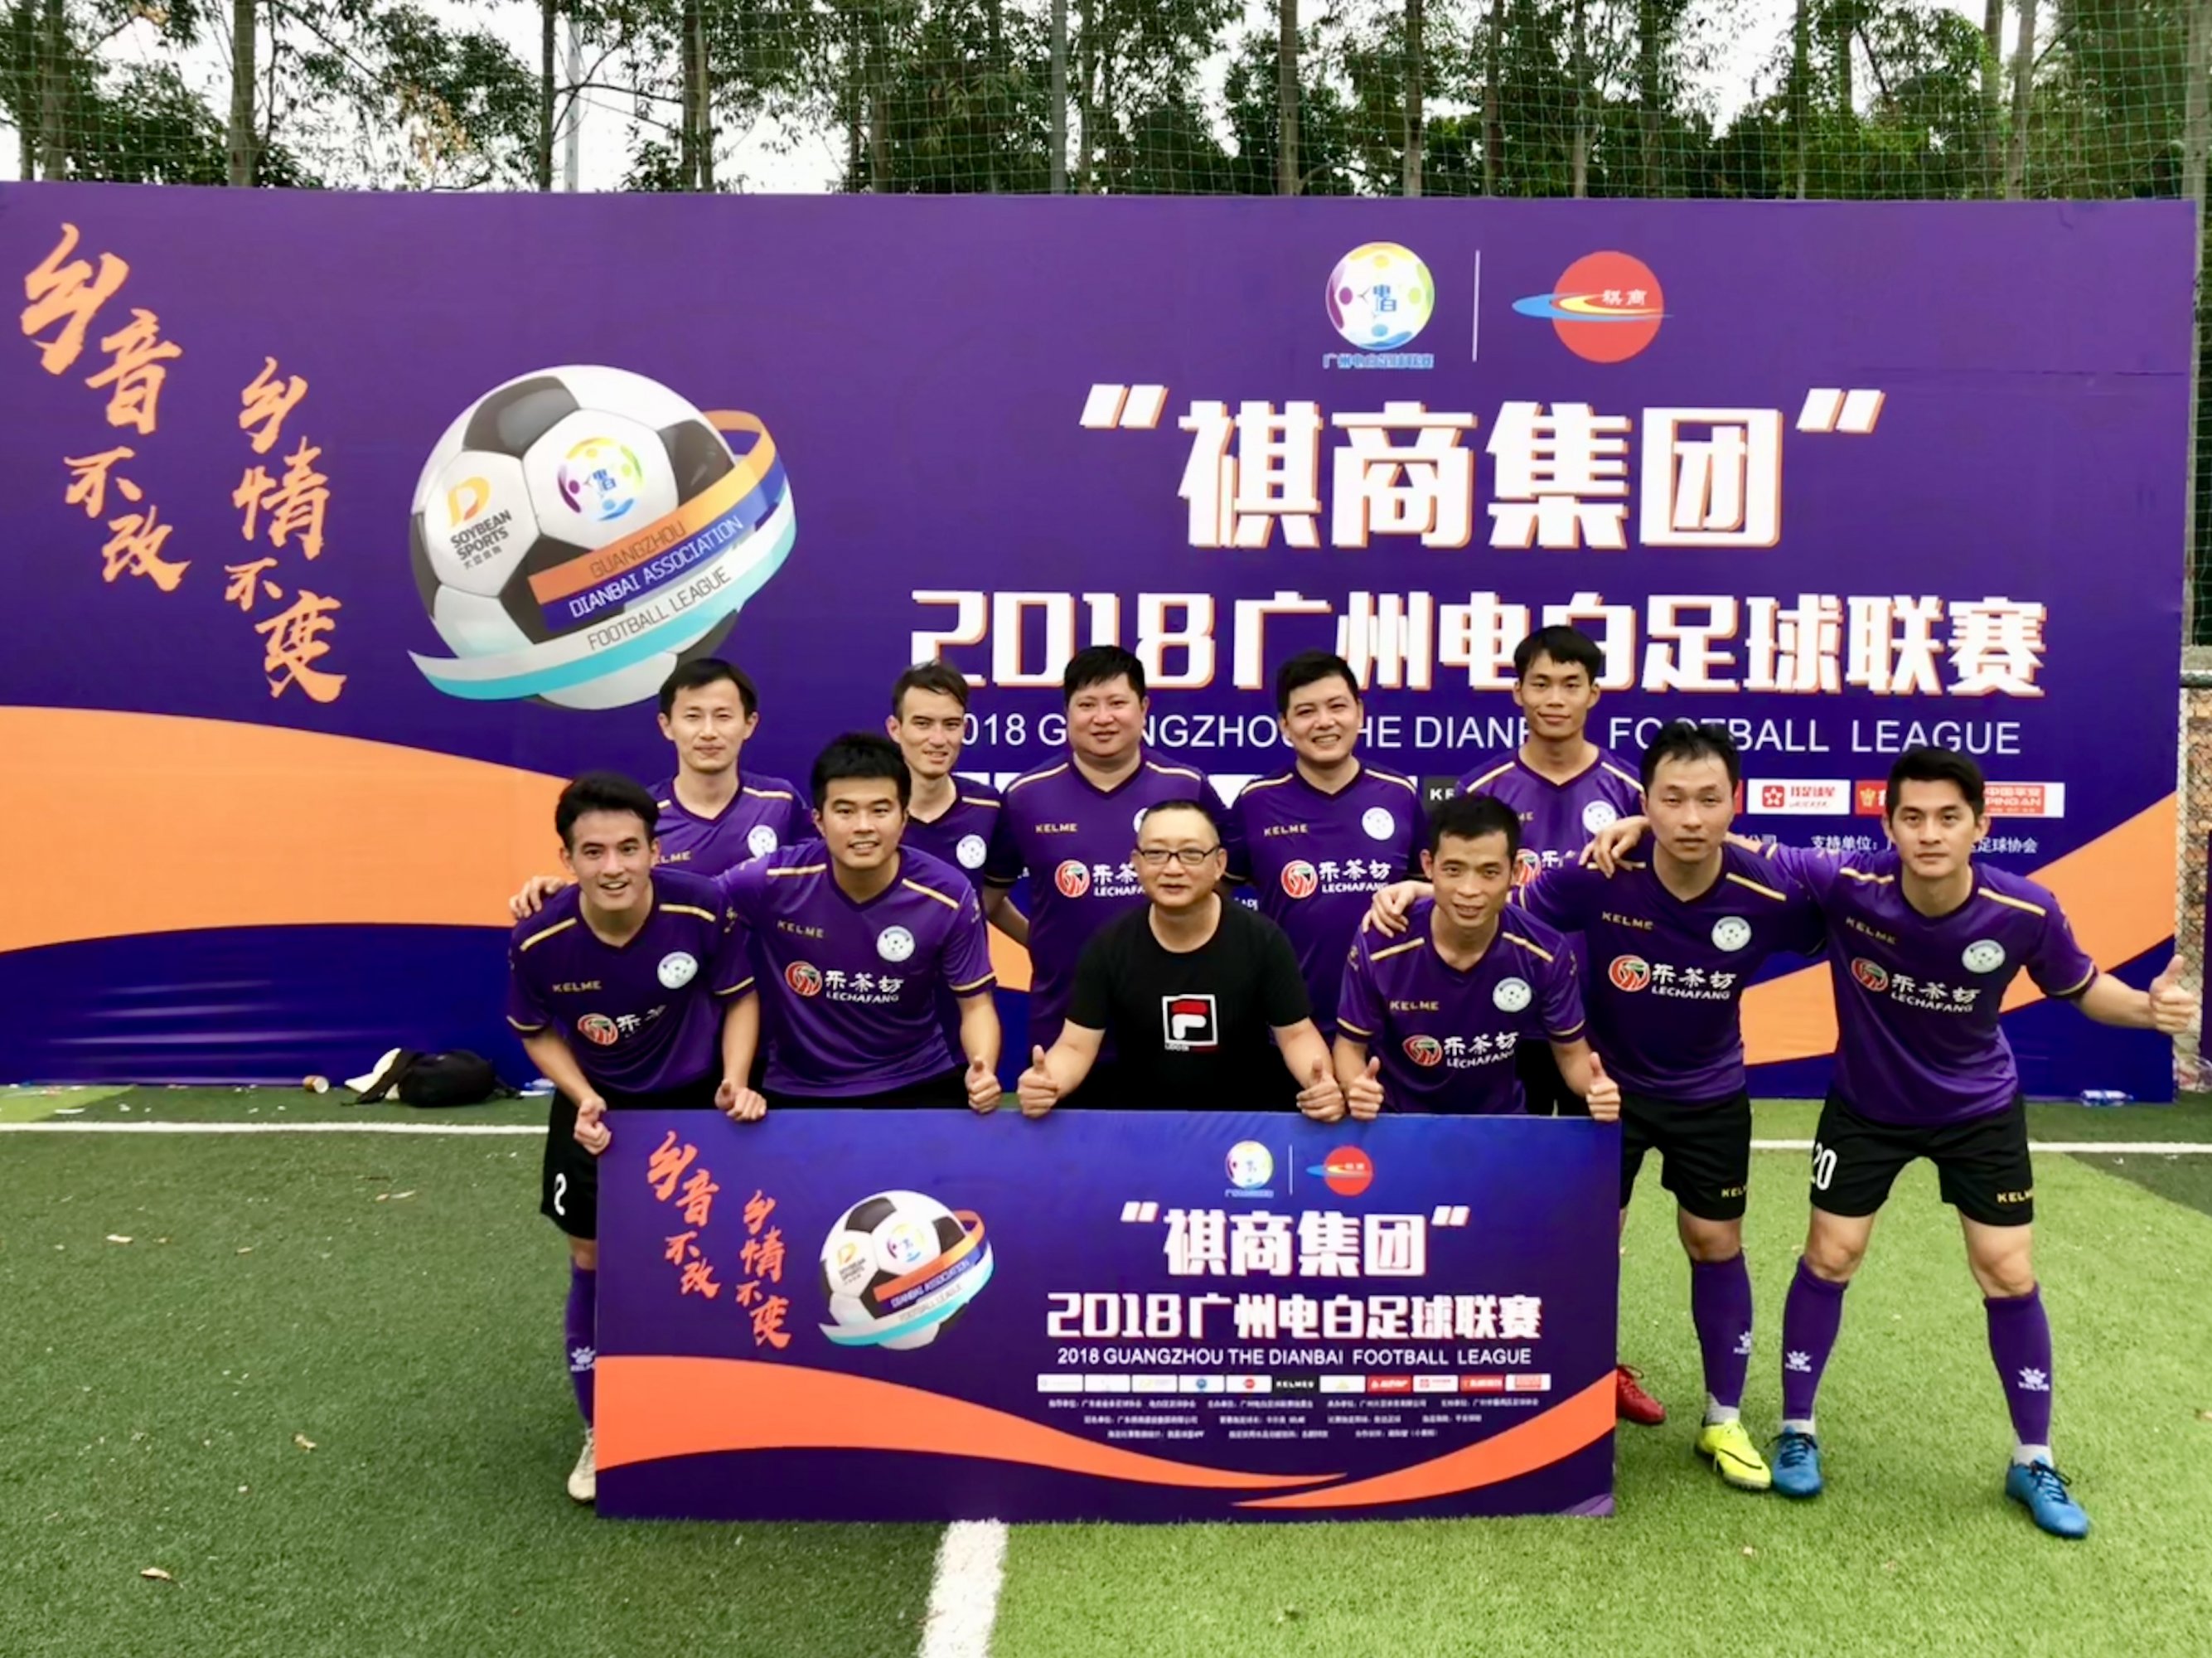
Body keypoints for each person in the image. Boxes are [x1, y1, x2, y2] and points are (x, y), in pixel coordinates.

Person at [1598, 746, 2192, 1536]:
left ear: (1980, 826)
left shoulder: (2024, 910)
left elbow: (2082, 987)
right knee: (1830, 1256)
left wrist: (2149, 1012)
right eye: (1912, 817)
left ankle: (2034, 1459)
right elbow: (1719, 840)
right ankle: (1797, 1430)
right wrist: (1647, 826)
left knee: (2007, 1271)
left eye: (1948, 818)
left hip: (1978, 1111)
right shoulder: (1848, 884)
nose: (1929, 834)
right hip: (1866, 1109)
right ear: (1888, 826)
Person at [1383, 724, 1824, 1467]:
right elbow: (1504, 905)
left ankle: (1722, 1418)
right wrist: (1430, 892)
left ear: (1735, 801)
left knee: (1714, 1242)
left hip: (1710, 1092)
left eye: (1708, 800)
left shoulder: (1770, 888)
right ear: (1642, 802)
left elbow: (1852, 908)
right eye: (1671, 800)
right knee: (1587, 1244)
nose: (1690, 818)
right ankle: (1567, 1402)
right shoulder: (1600, 874)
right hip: (1603, 1089)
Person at [504, 772, 763, 1505]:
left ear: (654, 849)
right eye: (593, 852)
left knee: (712, 1253)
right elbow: (535, 1031)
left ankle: (721, 1411)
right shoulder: (538, 940)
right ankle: (603, 1427)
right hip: (599, 1111)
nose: (612, 867)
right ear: (567, 859)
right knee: (591, 1259)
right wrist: (582, 1095)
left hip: (695, 1101)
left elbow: (739, 998)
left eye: (628, 848)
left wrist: (734, 1079)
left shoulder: (701, 907)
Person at [715, 733, 1004, 1109]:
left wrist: (983, 1071)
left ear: (904, 818)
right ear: (819, 821)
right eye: (846, 811)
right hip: (798, 1085)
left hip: (917, 1079)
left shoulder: (948, 895)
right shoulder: (770, 881)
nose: (863, 826)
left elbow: (977, 1006)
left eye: (880, 810)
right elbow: (689, 908)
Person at [986, 646, 1241, 1055]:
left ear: (1144, 708)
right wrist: (1041, 942)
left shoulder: (1186, 786)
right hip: (1062, 1017)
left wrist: (1195, 920)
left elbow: (1231, 868)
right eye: (1087, 705)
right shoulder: (1025, 796)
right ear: (1067, 713)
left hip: (1174, 1013)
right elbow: (989, 899)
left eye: (1117, 703)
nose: (1102, 718)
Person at [1017, 800, 1343, 1117]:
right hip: (1146, 1123)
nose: (1173, 868)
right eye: (1156, 854)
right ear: (1136, 862)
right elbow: (1076, 1046)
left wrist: (1320, 1083)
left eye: (1191, 854)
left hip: (1244, 1125)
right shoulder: (1108, 946)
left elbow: (1296, 1034)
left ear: (1219, 864)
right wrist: (1047, 1083)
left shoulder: (1263, 940)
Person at [1332, 793, 1618, 1124]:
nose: (1469, 889)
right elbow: (1349, 1047)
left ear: (1516, 872)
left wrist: (1595, 1088)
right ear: (1428, 866)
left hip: (1499, 1125)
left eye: (1489, 872)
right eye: (1453, 870)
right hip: (1399, 1123)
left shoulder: (1546, 952)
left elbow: (1572, 1055)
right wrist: (1356, 1086)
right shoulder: (1380, 943)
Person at [1458, 625, 1643, 1120]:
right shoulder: (1480, 791)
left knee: (1595, 1163)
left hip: (1604, 1019)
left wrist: (1650, 824)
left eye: (1570, 684)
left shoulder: (1632, 794)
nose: (1555, 699)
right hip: (1505, 1018)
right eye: (1540, 684)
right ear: (1518, 692)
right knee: (1510, 1161)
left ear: (1593, 694)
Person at [1230, 650, 1421, 1038]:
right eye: (1306, 712)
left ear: (1360, 713)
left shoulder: (1400, 794)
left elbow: (1432, 892)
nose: (1324, 722)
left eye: (1337, 706)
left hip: (1393, 1024)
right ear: (1285, 725)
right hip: (1289, 1024)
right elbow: (1215, 894)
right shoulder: (1255, 802)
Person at [648, 657, 809, 872]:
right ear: (666, 726)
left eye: (723, 716)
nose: (708, 732)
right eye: (693, 717)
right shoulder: (644, 815)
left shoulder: (780, 802)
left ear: (749, 724)